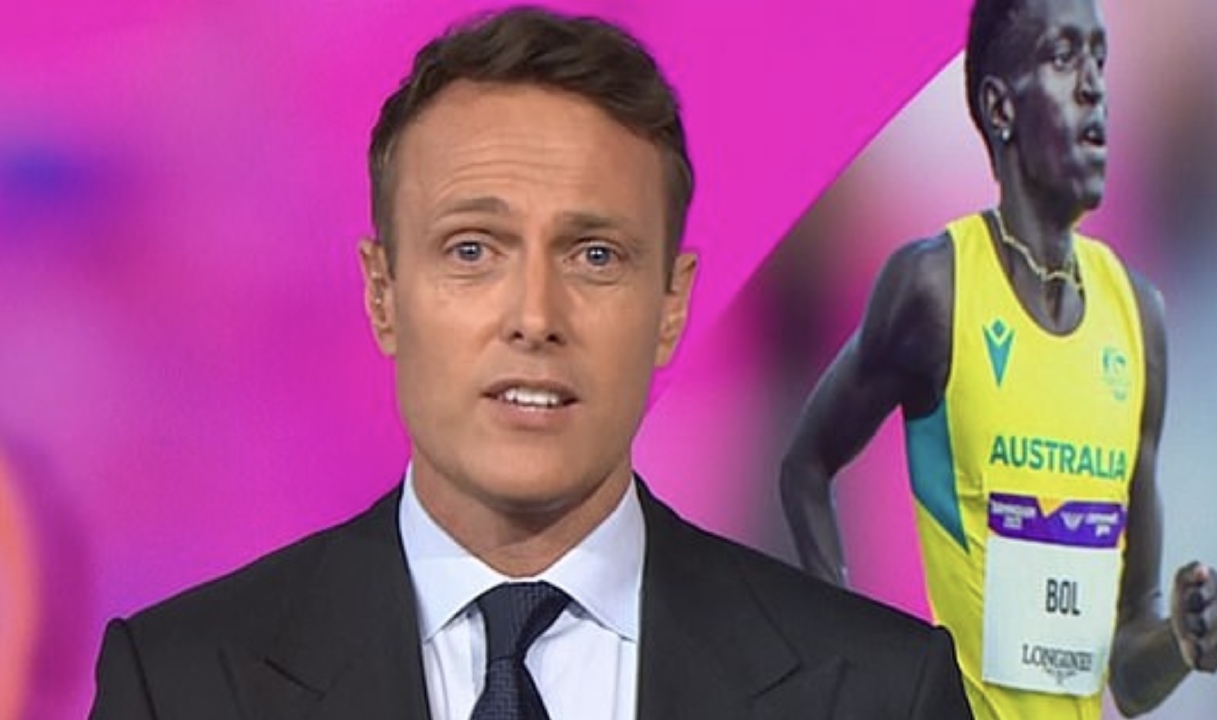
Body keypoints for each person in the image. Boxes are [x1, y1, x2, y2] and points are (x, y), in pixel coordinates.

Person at [90, 7, 972, 719]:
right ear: (382, 290)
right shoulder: (180, 681)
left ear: (674, 301)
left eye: (594, 256)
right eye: (472, 251)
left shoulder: (883, 685)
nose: (533, 319)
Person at [779, 0, 1217, 717]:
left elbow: (1129, 674)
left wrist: (1184, 640)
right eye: (1064, 63)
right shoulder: (930, 281)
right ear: (998, 103)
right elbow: (804, 467)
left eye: (1099, 62)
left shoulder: (1135, 311)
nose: (1091, 91)